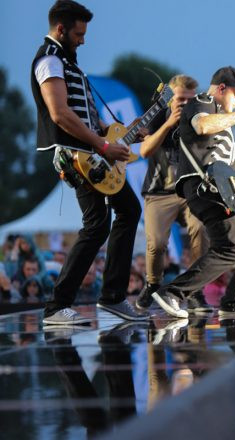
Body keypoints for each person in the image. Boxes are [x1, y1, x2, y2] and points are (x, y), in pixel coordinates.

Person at [31, 0, 144, 325]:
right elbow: (60, 114)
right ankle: (57, 307)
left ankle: (111, 297)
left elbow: (84, 117)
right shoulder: (50, 60)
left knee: (125, 212)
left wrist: (119, 136)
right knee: (97, 224)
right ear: (61, 29)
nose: (83, 40)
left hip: (92, 151)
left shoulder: (67, 63)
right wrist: (103, 146)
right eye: (79, 34)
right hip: (77, 155)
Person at [150, 66, 235, 318]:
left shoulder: (222, 115)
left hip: (232, 190)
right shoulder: (201, 102)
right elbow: (202, 126)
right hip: (207, 187)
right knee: (229, 249)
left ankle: (234, 301)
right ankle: (172, 293)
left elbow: (233, 169)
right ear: (221, 88)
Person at [135, 75, 209, 313]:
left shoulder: (200, 118)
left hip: (190, 189)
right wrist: (169, 124)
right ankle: (153, 284)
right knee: (156, 243)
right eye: (180, 99)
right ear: (169, 99)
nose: (185, 104)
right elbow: (145, 151)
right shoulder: (157, 117)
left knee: (199, 229)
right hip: (159, 191)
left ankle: (195, 290)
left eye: (190, 100)